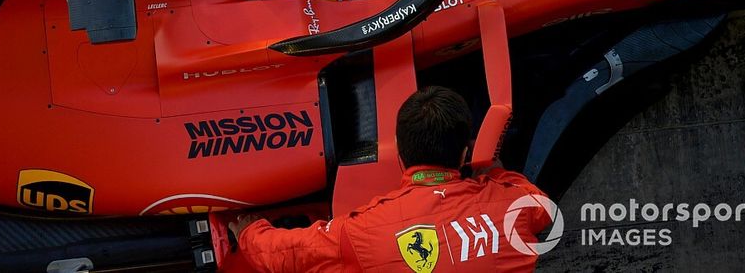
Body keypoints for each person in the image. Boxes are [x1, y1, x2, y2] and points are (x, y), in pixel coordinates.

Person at [231, 87, 553, 271]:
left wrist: (249, 230)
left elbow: (282, 254)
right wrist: (494, 171)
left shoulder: (358, 231)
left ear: (399, 153)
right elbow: (541, 209)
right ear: (464, 154)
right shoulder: (514, 203)